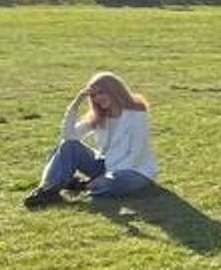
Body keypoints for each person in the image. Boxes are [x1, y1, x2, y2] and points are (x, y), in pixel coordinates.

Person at [24, 72, 159, 207]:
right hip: (106, 165)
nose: (98, 98)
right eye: (94, 95)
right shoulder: (99, 116)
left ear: (114, 91)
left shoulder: (137, 115)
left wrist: (107, 176)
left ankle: (84, 185)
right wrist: (75, 104)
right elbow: (68, 137)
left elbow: (137, 154)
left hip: (134, 171)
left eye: (102, 93)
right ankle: (47, 191)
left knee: (111, 183)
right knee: (68, 146)